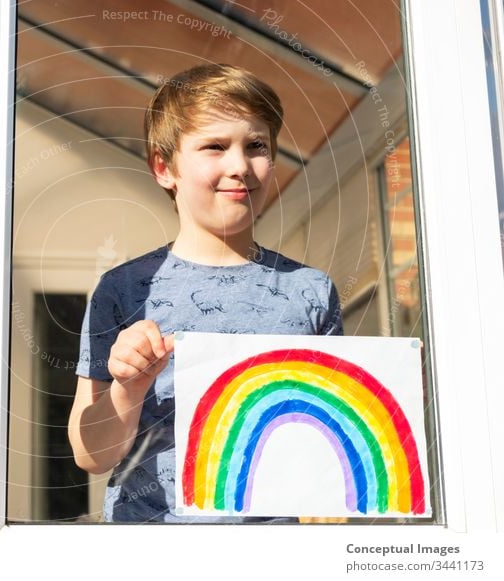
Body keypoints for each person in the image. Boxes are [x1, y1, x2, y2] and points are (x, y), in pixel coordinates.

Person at [68, 64, 343, 523]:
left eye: (256, 146)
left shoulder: (311, 291)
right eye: (214, 146)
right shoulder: (123, 290)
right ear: (163, 167)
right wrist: (128, 389)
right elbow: (92, 455)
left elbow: (326, 445)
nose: (239, 166)